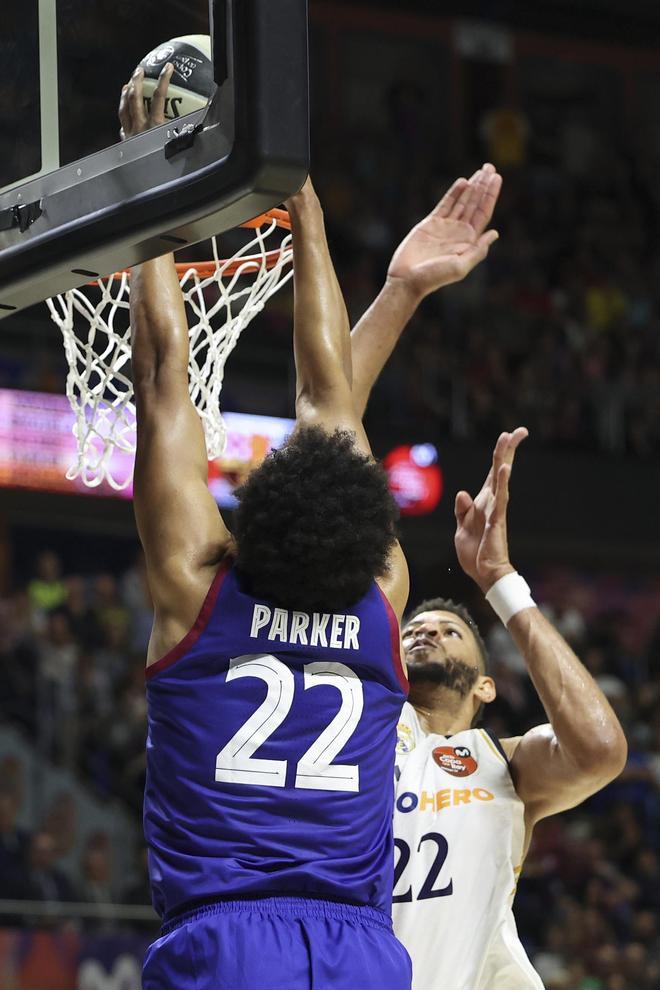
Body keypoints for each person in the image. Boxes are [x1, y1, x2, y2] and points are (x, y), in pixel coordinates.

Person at [119, 63, 416, 990]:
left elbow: (168, 374)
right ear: (366, 534)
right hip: (362, 951)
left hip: (226, 943)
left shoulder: (201, 591)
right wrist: (308, 215)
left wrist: (143, 175)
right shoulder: (381, 602)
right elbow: (331, 394)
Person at [344, 196, 627, 987]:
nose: (426, 629)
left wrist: (500, 584)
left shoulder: (503, 766)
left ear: (489, 683)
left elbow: (601, 751)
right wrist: (400, 291)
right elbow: (332, 428)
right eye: (415, 625)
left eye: (450, 628)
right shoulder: (354, 731)